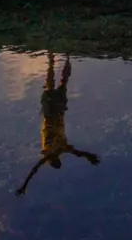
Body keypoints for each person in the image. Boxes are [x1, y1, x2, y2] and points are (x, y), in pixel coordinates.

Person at [16, 51, 100, 196]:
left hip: (54, 113)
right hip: (54, 113)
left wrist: (89, 156)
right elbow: (36, 168)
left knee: (59, 83)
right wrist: (88, 156)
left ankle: (59, 58)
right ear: (54, 159)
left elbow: (36, 169)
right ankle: (57, 59)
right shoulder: (55, 152)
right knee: (55, 83)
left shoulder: (59, 150)